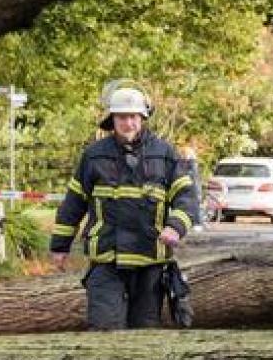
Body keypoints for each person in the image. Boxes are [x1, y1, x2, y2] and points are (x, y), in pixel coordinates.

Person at [50, 84, 198, 329]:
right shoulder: (94, 156)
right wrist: (59, 246)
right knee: (105, 330)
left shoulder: (164, 154)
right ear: (112, 118)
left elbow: (187, 197)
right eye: (121, 117)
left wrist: (176, 227)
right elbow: (73, 203)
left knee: (145, 337)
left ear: (143, 117)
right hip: (107, 260)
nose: (127, 123)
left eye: (133, 117)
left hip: (149, 262)